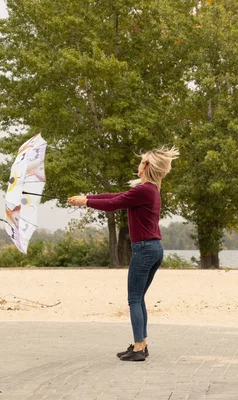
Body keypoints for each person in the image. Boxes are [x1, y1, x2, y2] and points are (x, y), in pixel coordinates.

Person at [68, 146, 179, 361]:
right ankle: (142, 344)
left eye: (141, 162)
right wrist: (86, 197)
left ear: (146, 166)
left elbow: (112, 204)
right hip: (154, 248)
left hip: (145, 248)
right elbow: (115, 196)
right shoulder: (150, 190)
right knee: (140, 298)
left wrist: (87, 202)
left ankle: (138, 348)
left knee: (134, 299)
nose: (138, 165)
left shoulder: (144, 190)